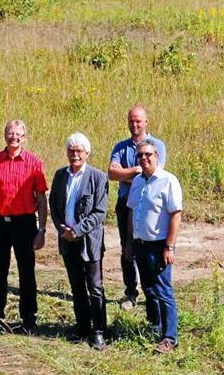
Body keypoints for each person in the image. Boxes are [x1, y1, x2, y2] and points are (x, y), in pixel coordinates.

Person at [0, 120, 48, 335]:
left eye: (18, 134)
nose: (14, 137)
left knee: (26, 273)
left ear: (25, 137)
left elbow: (41, 199)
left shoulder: (34, 163)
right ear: (4, 136)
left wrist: (42, 230)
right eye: (10, 133)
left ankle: (29, 320)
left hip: (24, 223)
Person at [49, 133, 109, 351]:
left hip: (89, 242)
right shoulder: (59, 176)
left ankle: (99, 331)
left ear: (87, 153)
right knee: (76, 287)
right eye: (71, 151)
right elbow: (53, 206)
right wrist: (62, 228)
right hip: (67, 241)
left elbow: (100, 212)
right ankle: (82, 327)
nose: (75, 154)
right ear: (67, 152)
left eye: (79, 151)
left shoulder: (98, 177)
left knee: (95, 287)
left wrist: (77, 230)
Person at [108, 106, 167, 311]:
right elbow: (112, 174)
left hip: (150, 204)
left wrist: (126, 174)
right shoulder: (121, 147)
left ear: (146, 121)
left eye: (138, 121)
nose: (135, 125)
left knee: (149, 247)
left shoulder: (157, 144)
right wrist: (134, 170)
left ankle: (154, 292)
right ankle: (130, 292)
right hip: (125, 204)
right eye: (131, 121)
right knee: (127, 247)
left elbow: (154, 173)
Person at [126, 139, 182, 354]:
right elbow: (132, 211)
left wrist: (169, 246)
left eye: (148, 154)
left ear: (157, 156)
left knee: (163, 290)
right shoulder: (138, 181)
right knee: (149, 288)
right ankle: (155, 326)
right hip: (140, 244)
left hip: (159, 246)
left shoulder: (168, 181)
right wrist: (129, 243)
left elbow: (176, 214)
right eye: (140, 155)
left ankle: (170, 337)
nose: (144, 158)